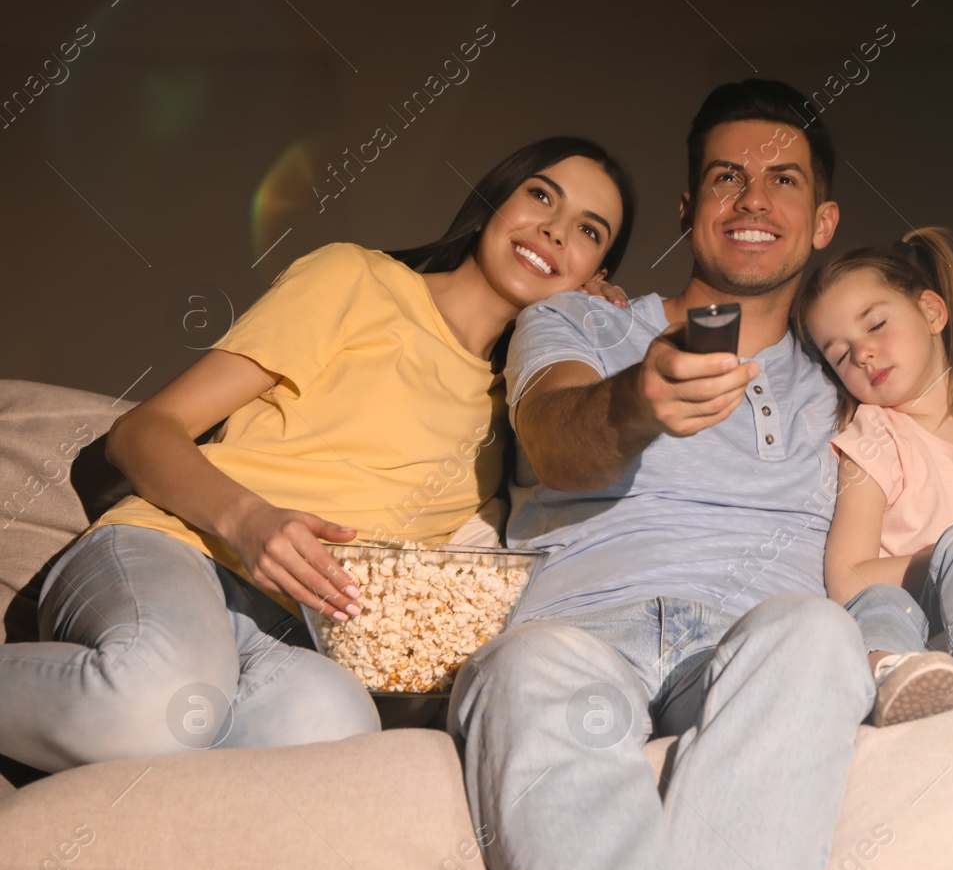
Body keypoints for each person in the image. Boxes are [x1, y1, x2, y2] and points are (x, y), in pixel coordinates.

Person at [446, 79, 953, 870]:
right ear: (690, 210)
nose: (753, 199)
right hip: (579, 627)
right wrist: (636, 401)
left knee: (815, 635)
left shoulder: (849, 371)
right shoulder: (585, 324)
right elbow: (557, 432)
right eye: (726, 177)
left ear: (820, 221)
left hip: (750, 643)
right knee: (528, 666)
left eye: (783, 180)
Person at [0, 137, 634, 773]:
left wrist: (598, 329)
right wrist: (249, 522)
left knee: (336, 730)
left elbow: (598, 444)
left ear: (597, 272)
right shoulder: (357, 279)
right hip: (177, 549)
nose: (553, 230)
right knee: (150, 700)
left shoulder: (520, 413)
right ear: (496, 201)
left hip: (291, 634)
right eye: (541, 195)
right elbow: (143, 430)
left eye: (588, 230)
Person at [795, 226, 953, 726]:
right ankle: (895, 676)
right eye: (839, 354)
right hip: (901, 613)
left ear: (932, 312)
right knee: (890, 597)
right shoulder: (874, 436)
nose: (862, 354)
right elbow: (847, 575)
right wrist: (949, 559)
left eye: (874, 325)